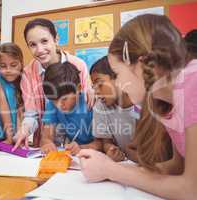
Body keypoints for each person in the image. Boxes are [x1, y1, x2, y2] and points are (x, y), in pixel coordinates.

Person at [78, 14, 197, 200]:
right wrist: (116, 169)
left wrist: (111, 171)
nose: (118, 83)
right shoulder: (165, 102)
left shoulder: (192, 81)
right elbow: (177, 167)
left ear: (140, 65)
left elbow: (191, 190)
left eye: (116, 74)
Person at [13, 18, 94, 150]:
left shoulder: (78, 65)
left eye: (44, 41)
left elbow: (86, 101)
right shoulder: (27, 74)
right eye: (32, 44)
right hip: (47, 143)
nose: (39, 49)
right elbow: (31, 114)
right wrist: (24, 131)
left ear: (56, 39)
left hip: (79, 145)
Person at [41, 62, 102, 155]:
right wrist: (48, 143)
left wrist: (81, 148)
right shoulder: (52, 104)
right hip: (74, 156)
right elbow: (46, 136)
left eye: (64, 99)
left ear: (78, 88)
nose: (59, 105)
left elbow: (102, 144)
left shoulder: (90, 103)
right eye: (54, 100)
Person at [90, 56, 137, 162]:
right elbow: (106, 142)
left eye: (100, 84)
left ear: (119, 78)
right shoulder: (100, 107)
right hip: (125, 165)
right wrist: (111, 149)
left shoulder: (141, 104)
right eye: (94, 86)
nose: (96, 92)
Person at [0, 43, 24, 145]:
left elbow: (21, 112)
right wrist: (9, 137)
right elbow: (2, 104)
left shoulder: (23, 80)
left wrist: (19, 137)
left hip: (14, 137)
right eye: (3, 66)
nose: (8, 70)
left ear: (21, 63)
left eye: (13, 65)